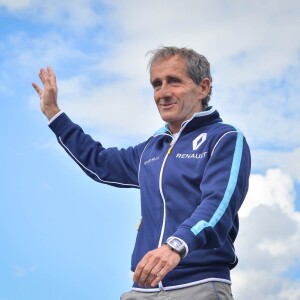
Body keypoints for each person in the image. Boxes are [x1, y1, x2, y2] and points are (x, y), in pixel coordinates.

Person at [32, 46, 251, 300]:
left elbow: (218, 205)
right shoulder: (151, 148)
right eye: (156, 84)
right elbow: (99, 161)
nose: (163, 93)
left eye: (174, 82)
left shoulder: (224, 138)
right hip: (142, 290)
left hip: (199, 285)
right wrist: (53, 114)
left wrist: (175, 246)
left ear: (203, 87)